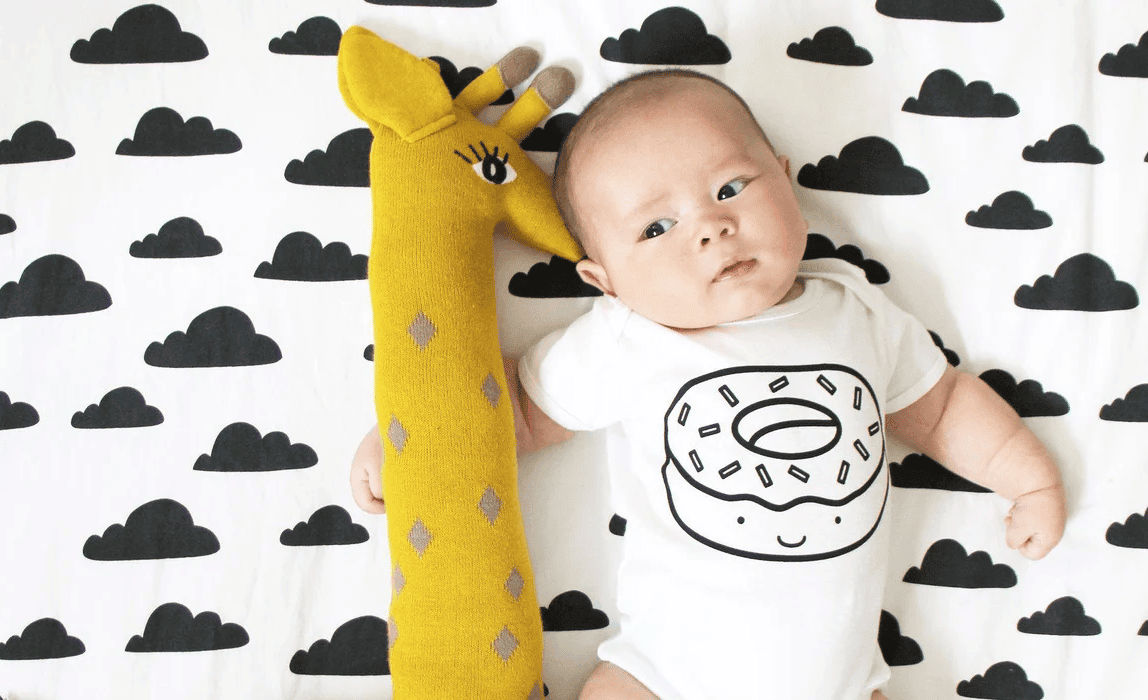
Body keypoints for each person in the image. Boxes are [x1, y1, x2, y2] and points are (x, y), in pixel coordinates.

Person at [350, 69, 1067, 700]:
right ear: (606, 281)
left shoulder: (853, 310)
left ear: (784, 180)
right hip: (663, 676)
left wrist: (1026, 478)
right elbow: (512, 414)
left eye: (729, 188)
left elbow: (939, 409)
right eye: (656, 227)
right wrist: (410, 446)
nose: (711, 227)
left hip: (842, 682)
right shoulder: (627, 338)